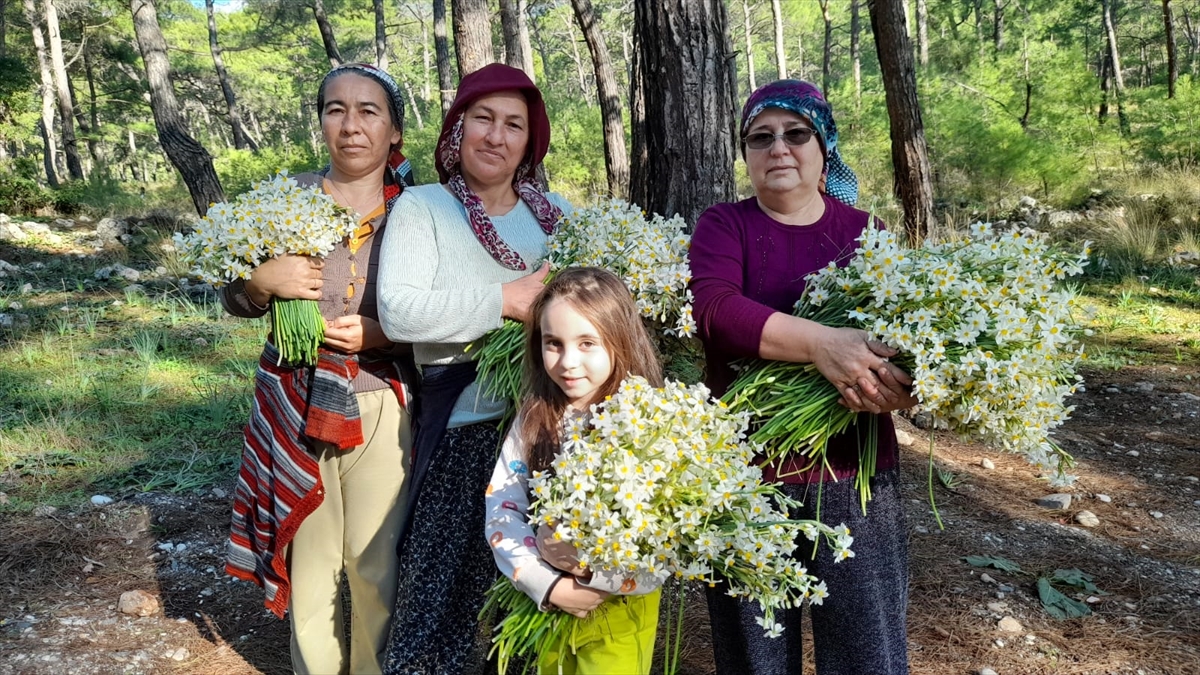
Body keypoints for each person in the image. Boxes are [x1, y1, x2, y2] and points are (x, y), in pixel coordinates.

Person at [689, 79, 918, 675]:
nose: (779, 149)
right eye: (760, 138)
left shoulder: (868, 234)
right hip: (747, 471)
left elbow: (908, 340)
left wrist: (896, 385)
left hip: (856, 468)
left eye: (797, 133)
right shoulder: (724, 226)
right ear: (745, 155)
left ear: (825, 145)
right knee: (754, 653)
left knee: (868, 646)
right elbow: (716, 311)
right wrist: (823, 344)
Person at [376, 63, 572, 673]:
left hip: (550, 427)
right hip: (466, 427)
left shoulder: (556, 216)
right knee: (443, 590)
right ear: (456, 131)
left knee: (540, 584)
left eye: (514, 124)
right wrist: (506, 302)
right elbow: (399, 310)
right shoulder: (422, 208)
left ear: (530, 142)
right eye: (481, 119)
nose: (496, 135)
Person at [223, 63, 418, 675]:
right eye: (336, 110)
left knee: (374, 562)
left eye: (369, 111)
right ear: (321, 124)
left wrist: (382, 333)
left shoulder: (422, 214)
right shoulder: (284, 199)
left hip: (380, 402)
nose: (351, 125)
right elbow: (230, 295)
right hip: (293, 403)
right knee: (309, 561)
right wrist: (258, 284)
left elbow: (450, 316)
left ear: (393, 133)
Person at [484, 267, 664, 675]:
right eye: (553, 343)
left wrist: (592, 572)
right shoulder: (536, 416)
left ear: (620, 340)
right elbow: (503, 505)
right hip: (549, 603)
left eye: (587, 343)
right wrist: (545, 583)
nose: (568, 362)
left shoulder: (648, 424)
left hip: (621, 611)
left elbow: (665, 542)